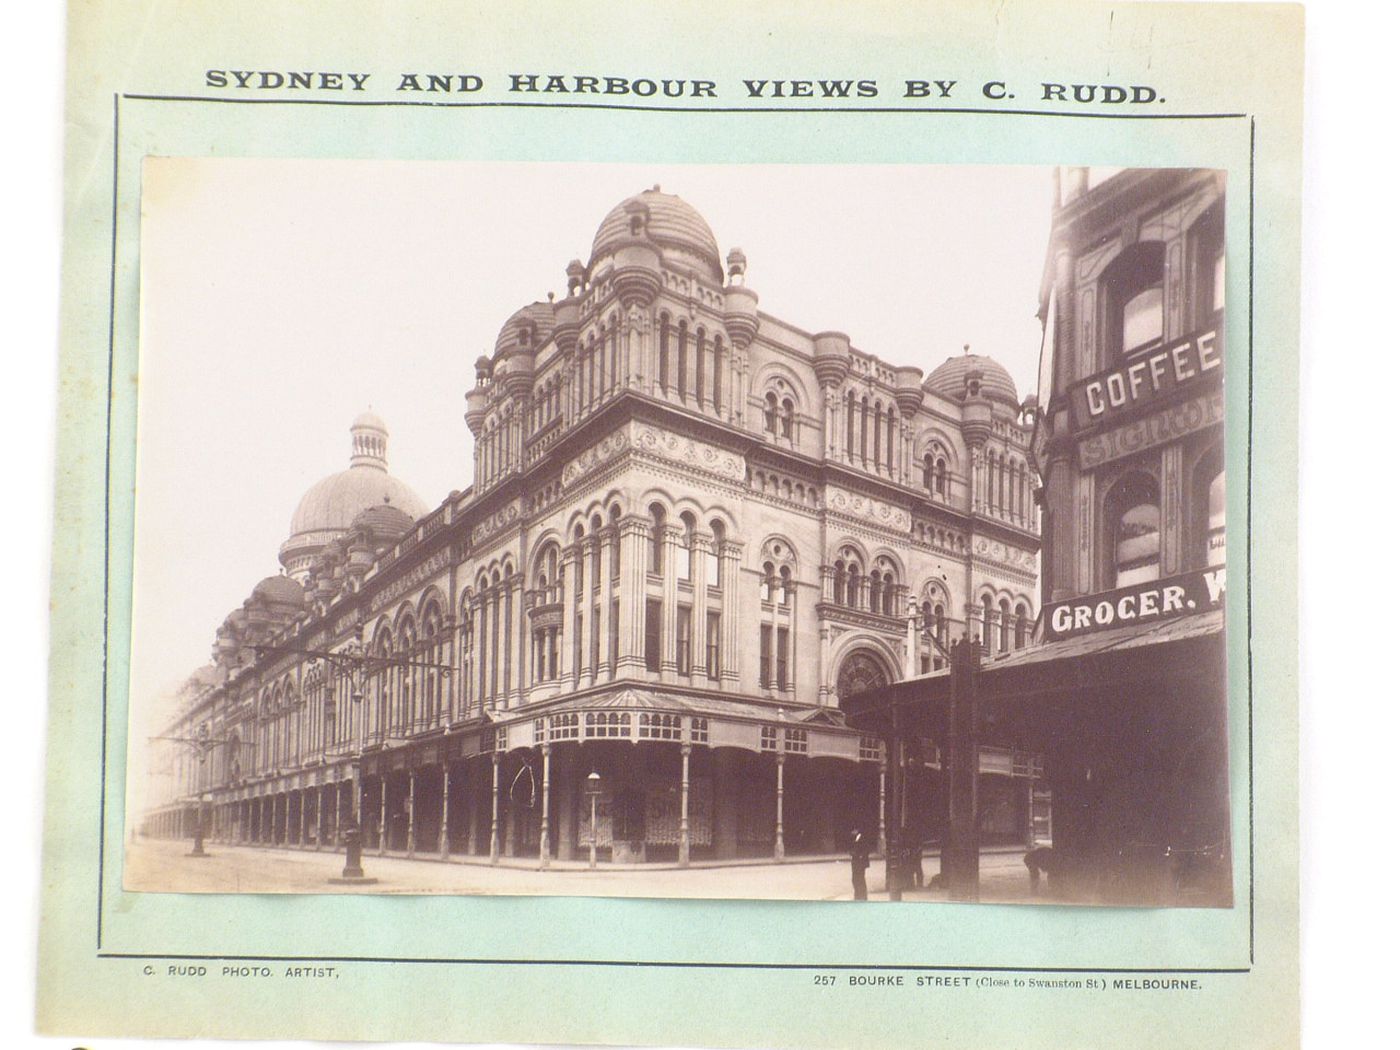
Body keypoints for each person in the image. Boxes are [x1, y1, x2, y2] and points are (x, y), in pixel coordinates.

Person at [849, 828, 870, 900]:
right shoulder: (854, 838)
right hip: (855, 862)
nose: (852, 832)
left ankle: (862, 896)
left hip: (860, 863)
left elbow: (866, 850)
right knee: (855, 879)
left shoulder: (863, 838)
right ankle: (858, 895)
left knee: (860, 879)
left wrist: (859, 856)